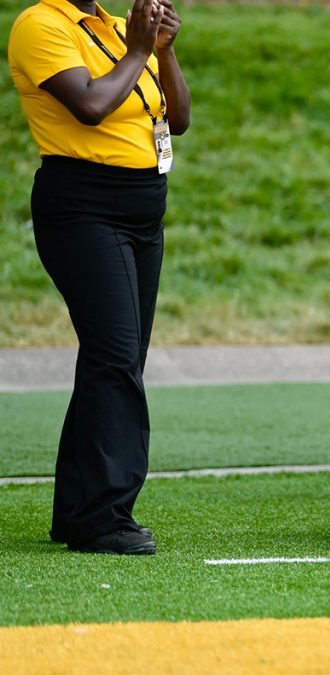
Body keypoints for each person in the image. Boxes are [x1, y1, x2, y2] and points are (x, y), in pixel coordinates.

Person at [8, 0, 191, 554]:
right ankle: (104, 518)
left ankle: (76, 512)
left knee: (118, 358)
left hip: (143, 210)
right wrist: (138, 50)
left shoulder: (117, 26)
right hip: (83, 206)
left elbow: (176, 120)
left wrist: (162, 51)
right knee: (114, 358)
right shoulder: (39, 24)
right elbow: (90, 105)